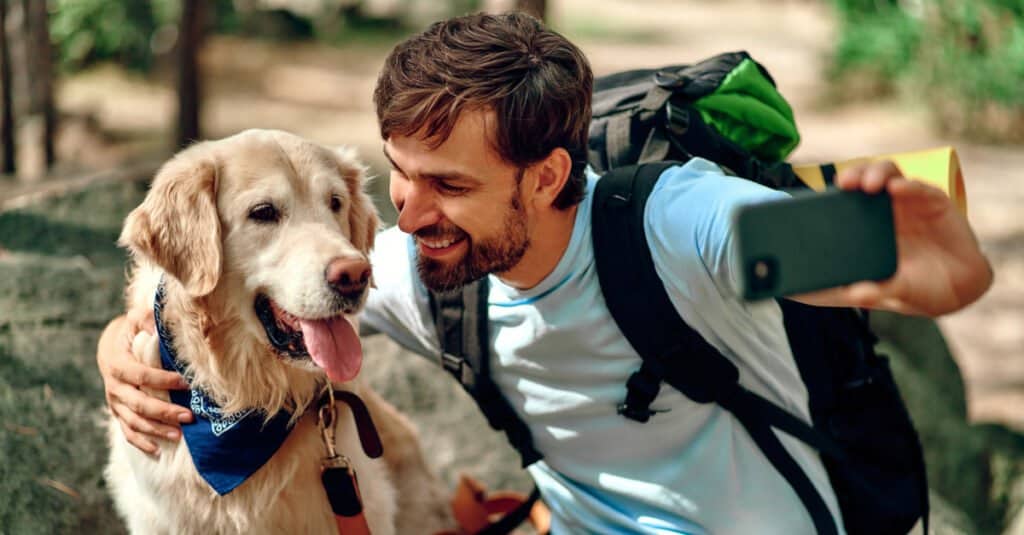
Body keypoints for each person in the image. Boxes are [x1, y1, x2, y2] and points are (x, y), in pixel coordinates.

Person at [96, 12, 993, 534]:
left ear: (550, 176)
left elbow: (840, 257)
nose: (405, 218)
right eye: (400, 175)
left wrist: (927, 265)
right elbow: (230, 298)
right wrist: (119, 346)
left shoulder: (672, 224)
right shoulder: (424, 263)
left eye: (448, 185)